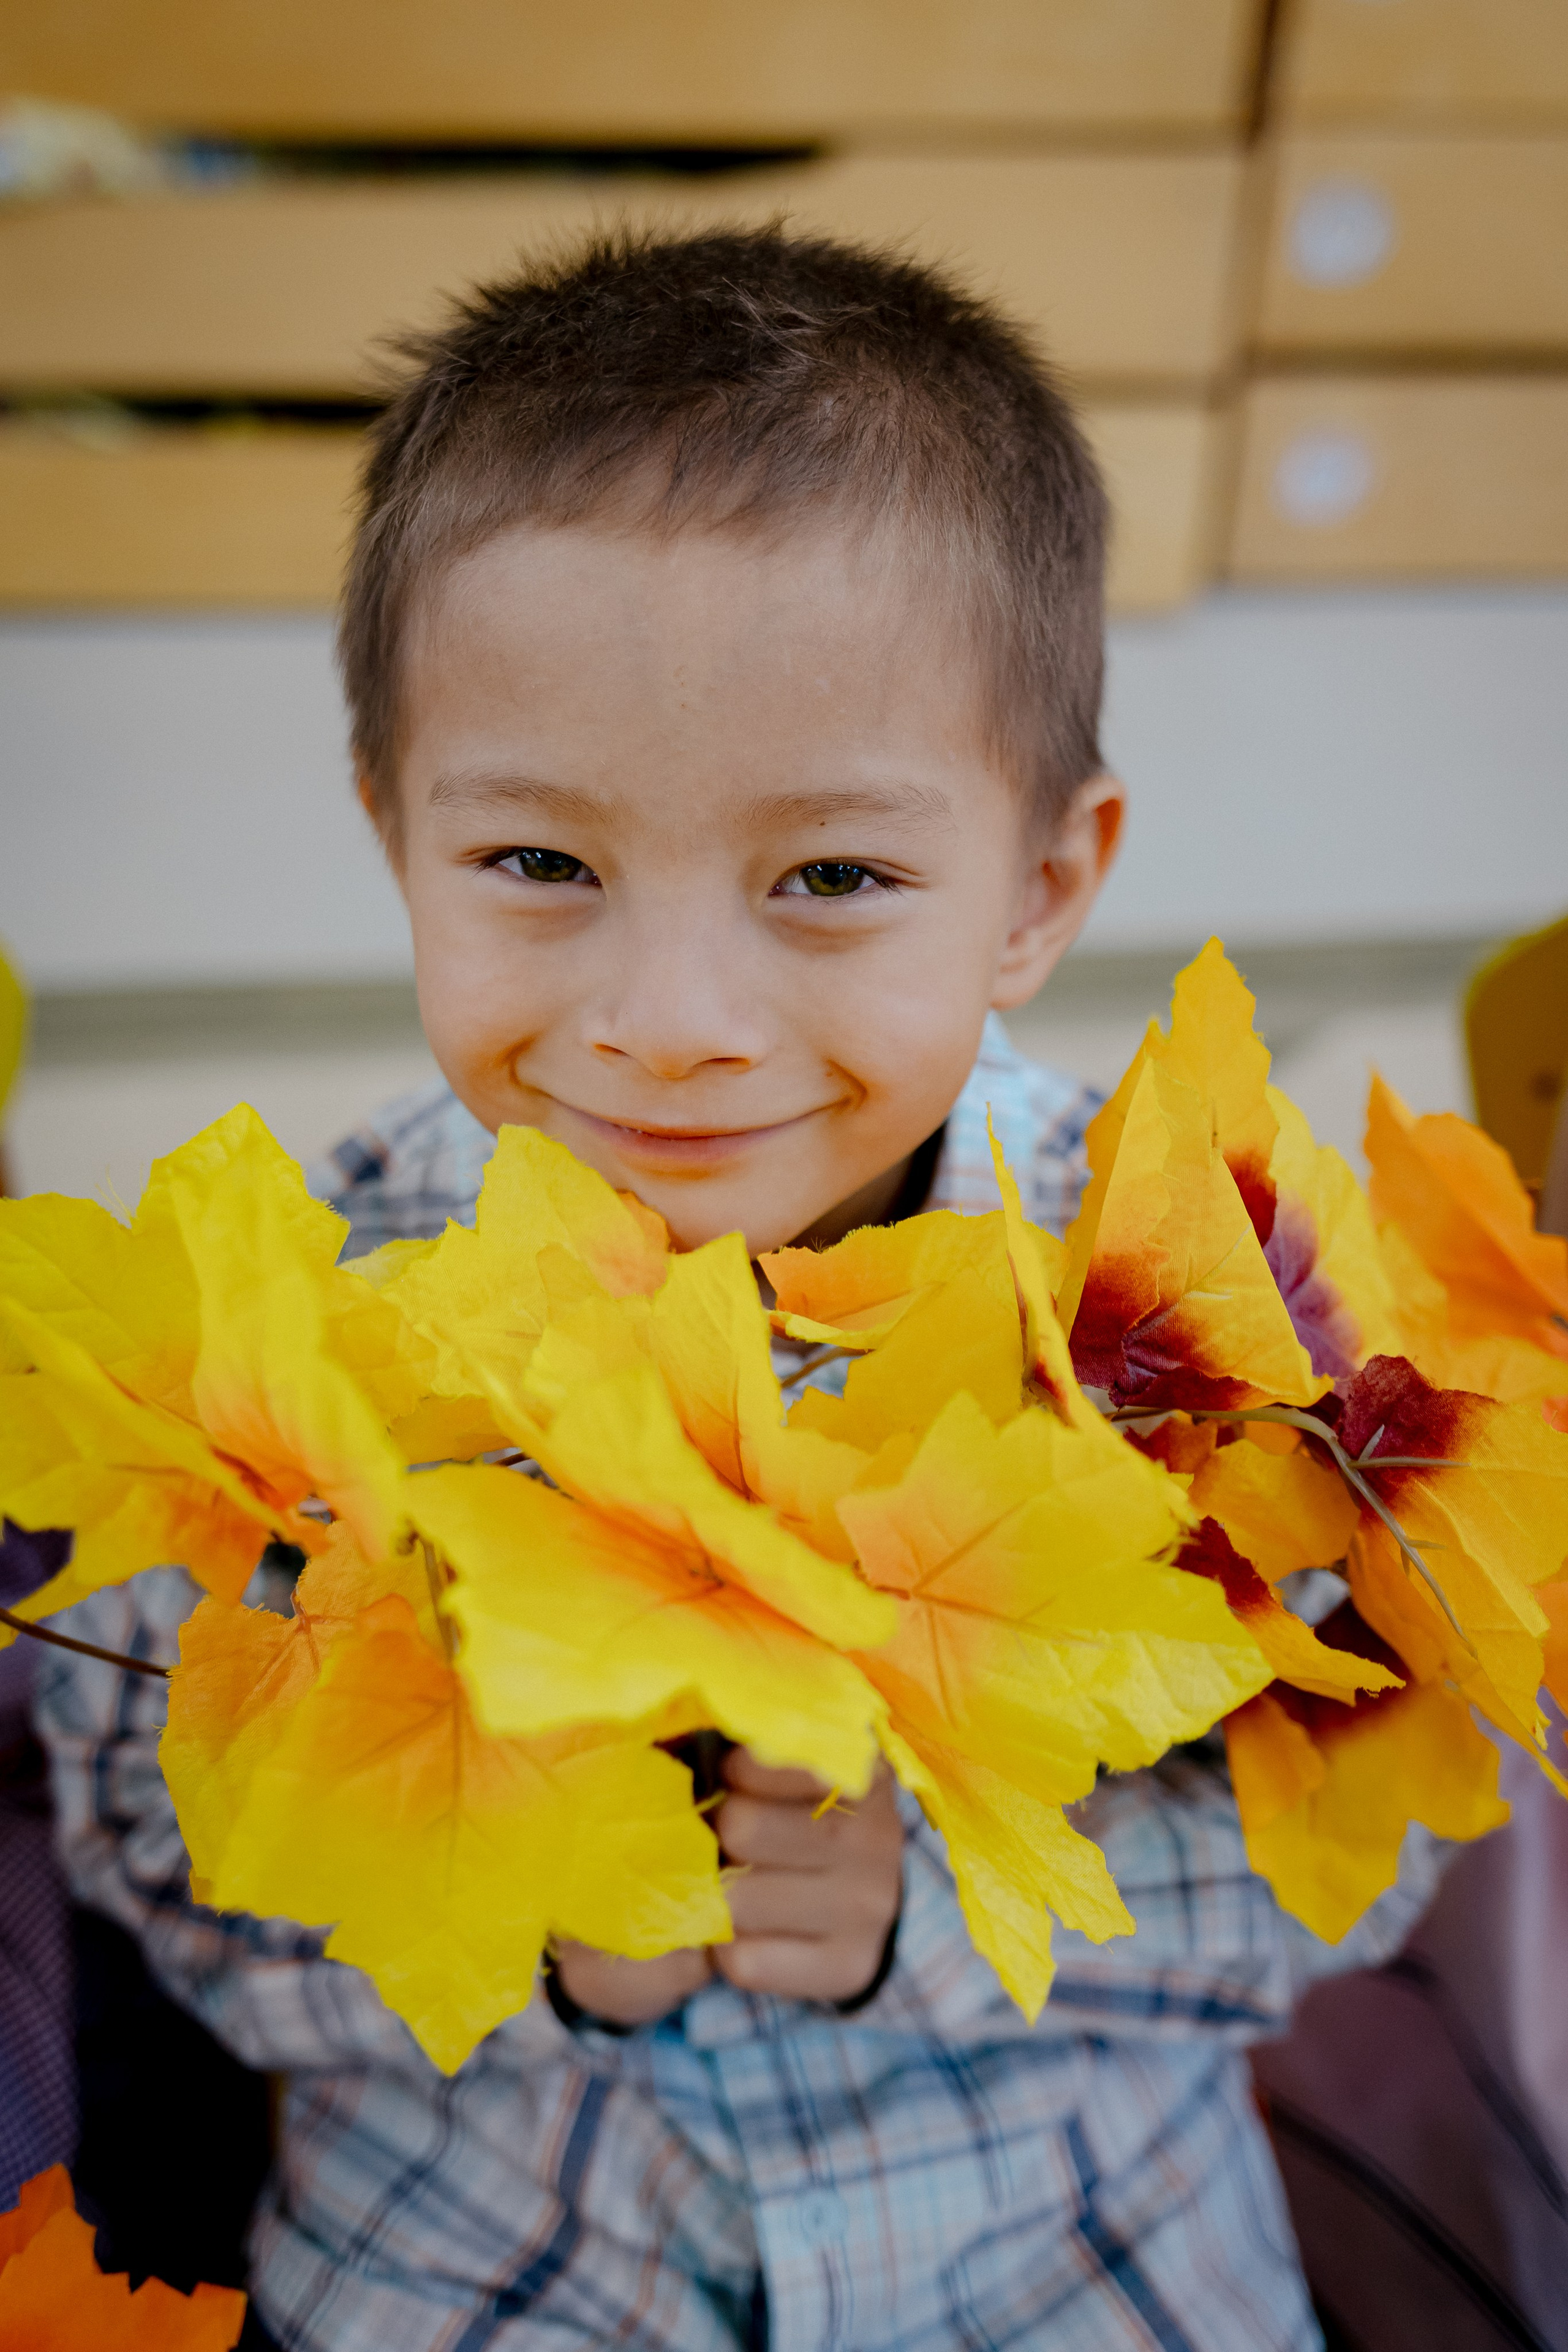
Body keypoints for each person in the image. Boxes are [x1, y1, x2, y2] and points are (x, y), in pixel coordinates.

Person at [34, 228, 1446, 2352]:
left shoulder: (1202, 1293)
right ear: (395, 829)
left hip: (1070, 2248)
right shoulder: (284, 1327)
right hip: (490, 2258)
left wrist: (919, 1916)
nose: (675, 1024)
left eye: (834, 877)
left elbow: (1364, 1829)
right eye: (541, 865)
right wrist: (539, 1924)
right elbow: (155, 1846)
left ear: (1042, 885)